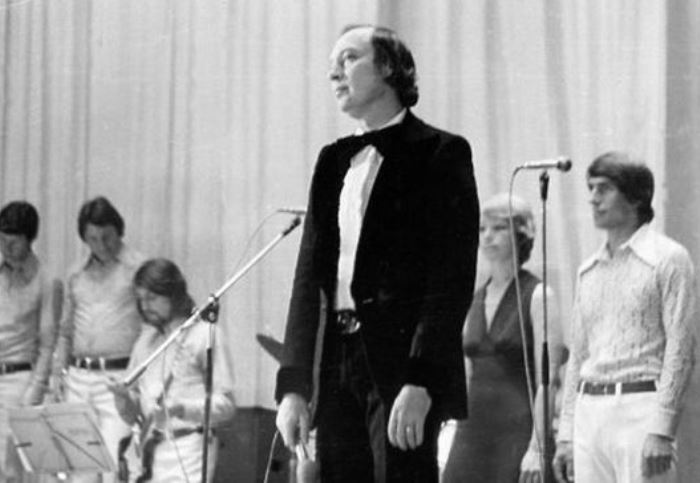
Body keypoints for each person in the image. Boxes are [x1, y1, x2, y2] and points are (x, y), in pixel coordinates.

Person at [274, 25, 480, 482]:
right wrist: (293, 387)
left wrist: (422, 379)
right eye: (331, 65)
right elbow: (308, 279)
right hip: (336, 365)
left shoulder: (440, 152)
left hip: (401, 367)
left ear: (388, 67)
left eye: (348, 59)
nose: (335, 73)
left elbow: (451, 279)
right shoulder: (332, 161)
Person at [552, 152, 697, 483]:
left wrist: (662, 429)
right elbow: (578, 355)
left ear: (635, 197)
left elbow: (681, 348)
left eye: (604, 188)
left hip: (640, 410)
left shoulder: (668, 258)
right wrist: (567, 433)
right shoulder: (588, 270)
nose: (593, 198)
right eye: (591, 188)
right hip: (589, 412)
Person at [442, 193, 565, 482]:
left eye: (498, 228)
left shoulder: (538, 295)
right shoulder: (473, 299)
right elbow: (465, 375)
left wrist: (537, 447)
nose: (487, 236)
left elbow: (547, 382)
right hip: (471, 430)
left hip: (517, 429)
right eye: (482, 229)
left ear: (521, 235)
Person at [107, 258, 236, 482]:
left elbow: (226, 406)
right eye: (140, 299)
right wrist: (122, 398)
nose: (145, 306)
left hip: (191, 448)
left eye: (152, 298)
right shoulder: (145, 342)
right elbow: (133, 416)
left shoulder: (205, 335)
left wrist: (181, 408)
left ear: (173, 294)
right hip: (150, 452)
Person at [51, 196, 145, 482]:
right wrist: (58, 372)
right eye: (92, 239)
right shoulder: (76, 273)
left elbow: (151, 328)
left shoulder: (138, 269)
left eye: (107, 237)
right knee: (79, 468)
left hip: (118, 378)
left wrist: (137, 377)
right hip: (78, 378)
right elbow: (65, 331)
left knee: (113, 466)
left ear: (119, 231)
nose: (101, 245)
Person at [0, 201, 61, 481]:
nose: (6, 248)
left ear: (30, 239)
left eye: (13, 242)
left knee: (9, 471)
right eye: (2, 240)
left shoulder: (47, 280)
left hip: (17, 379)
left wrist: (35, 389)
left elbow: (48, 344)